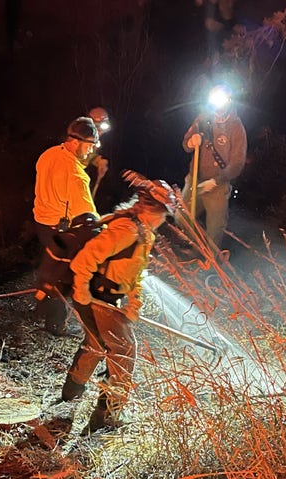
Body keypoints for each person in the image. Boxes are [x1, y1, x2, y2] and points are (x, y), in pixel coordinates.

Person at [56, 171, 177, 434]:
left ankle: (71, 391)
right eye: (163, 214)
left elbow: (136, 273)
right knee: (124, 351)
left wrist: (134, 303)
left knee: (96, 344)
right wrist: (82, 292)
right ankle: (107, 415)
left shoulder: (145, 235)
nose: (163, 221)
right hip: (97, 296)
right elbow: (84, 259)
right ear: (150, 208)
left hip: (108, 297)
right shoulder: (126, 230)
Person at [32, 116, 100, 336]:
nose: (90, 152)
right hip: (59, 230)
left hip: (41, 223)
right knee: (62, 276)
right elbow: (88, 216)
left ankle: (40, 308)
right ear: (75, 142)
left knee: (50, 265)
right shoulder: (76, 175)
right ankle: (55, 325)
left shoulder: (48, 154)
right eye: (89, 146)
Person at [182, 84, 247, 248]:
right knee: (181, 217)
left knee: (215, 230)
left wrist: (216, 181)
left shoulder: (236, 127)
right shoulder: (202, 119)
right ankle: (197, 249)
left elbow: (237, 163)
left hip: (217, 186)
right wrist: (191, 141)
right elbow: (185, 144)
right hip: (194, 180)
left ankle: (210, 263)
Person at [86, 106, 111, 197]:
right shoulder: (79, 139)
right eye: (96, 126)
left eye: (103, 125)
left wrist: (100, 162)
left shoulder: (99, 141)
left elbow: (90, 156)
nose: (100, 130)